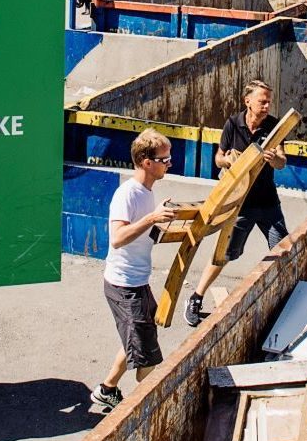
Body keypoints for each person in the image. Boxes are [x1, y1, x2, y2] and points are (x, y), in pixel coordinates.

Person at [183, 80, 286, 327]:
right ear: (247, 101)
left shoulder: (274, 126)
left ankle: (284, 301)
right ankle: (196, 297)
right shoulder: (233, 124)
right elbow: (218, 157)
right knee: (225, 254)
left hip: (268, 203)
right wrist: (227, 161)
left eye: (269, 102)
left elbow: (282, 161)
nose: (267, 106)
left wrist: (274, 159)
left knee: (283, 250)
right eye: (262, 101)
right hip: (241, 204)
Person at [92, 128, 176, 412]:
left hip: (137, 282)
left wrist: (160, 224)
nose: (169, 163)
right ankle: (152, 411)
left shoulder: (147, 192)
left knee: (136, 339)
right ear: (146, 162)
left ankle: (107, 389)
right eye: (164, 159)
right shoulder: (127, 194)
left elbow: (141, 233)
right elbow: (117, 238)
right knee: (147, 360)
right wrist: (152, 218)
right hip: (124, 286)